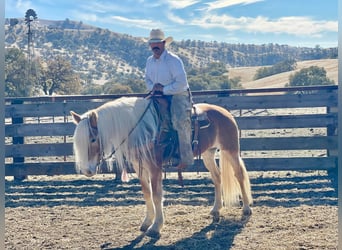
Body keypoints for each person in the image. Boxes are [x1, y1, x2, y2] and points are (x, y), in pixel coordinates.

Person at [145, 29, 194, 168]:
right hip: (158, 94)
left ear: (164, 43)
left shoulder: (173, 60)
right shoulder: (150, 61)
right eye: (152, 43)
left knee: (179, 120)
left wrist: (164, 89)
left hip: (178, 94)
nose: (155, 46)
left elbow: (182, 83)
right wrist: (153, 87)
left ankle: (185, 157)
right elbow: (147, 80)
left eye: (157, 43)